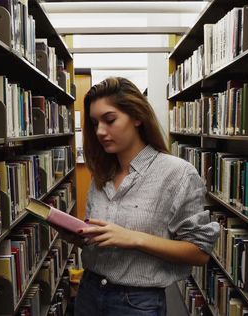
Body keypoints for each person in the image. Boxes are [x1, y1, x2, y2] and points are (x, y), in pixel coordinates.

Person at [71, 77, 219, 316]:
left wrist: (133, 238)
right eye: (94, 122)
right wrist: (80, 236)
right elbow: (101, 235)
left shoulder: (177, 174)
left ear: (138, 117)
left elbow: (199, 252)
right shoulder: (101, 174)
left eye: (109, 120)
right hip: (89, 292)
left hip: (136, 303)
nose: (99, 131)